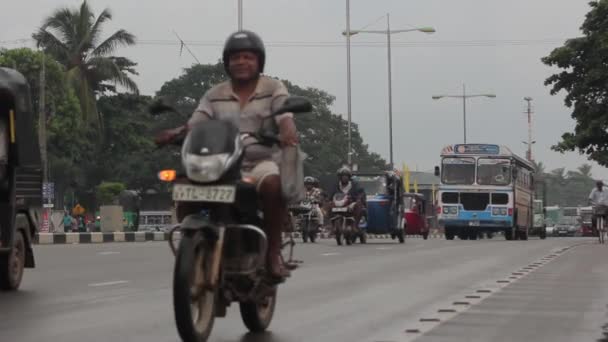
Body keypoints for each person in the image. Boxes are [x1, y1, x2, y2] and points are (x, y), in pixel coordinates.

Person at [155, 30, 298, 280]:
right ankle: (191, 246)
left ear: (258, 61)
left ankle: (272, 253)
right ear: (227, 63)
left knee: (273, 185)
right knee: (185, 184)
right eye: (235, 58)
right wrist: (174, 132)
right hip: (219, 163)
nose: (241, 62)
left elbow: (285, 117)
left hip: (258, 162)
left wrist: (287, 132)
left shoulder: (273, 88)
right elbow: (197, 122)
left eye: (247, 57)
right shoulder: (214, 94)